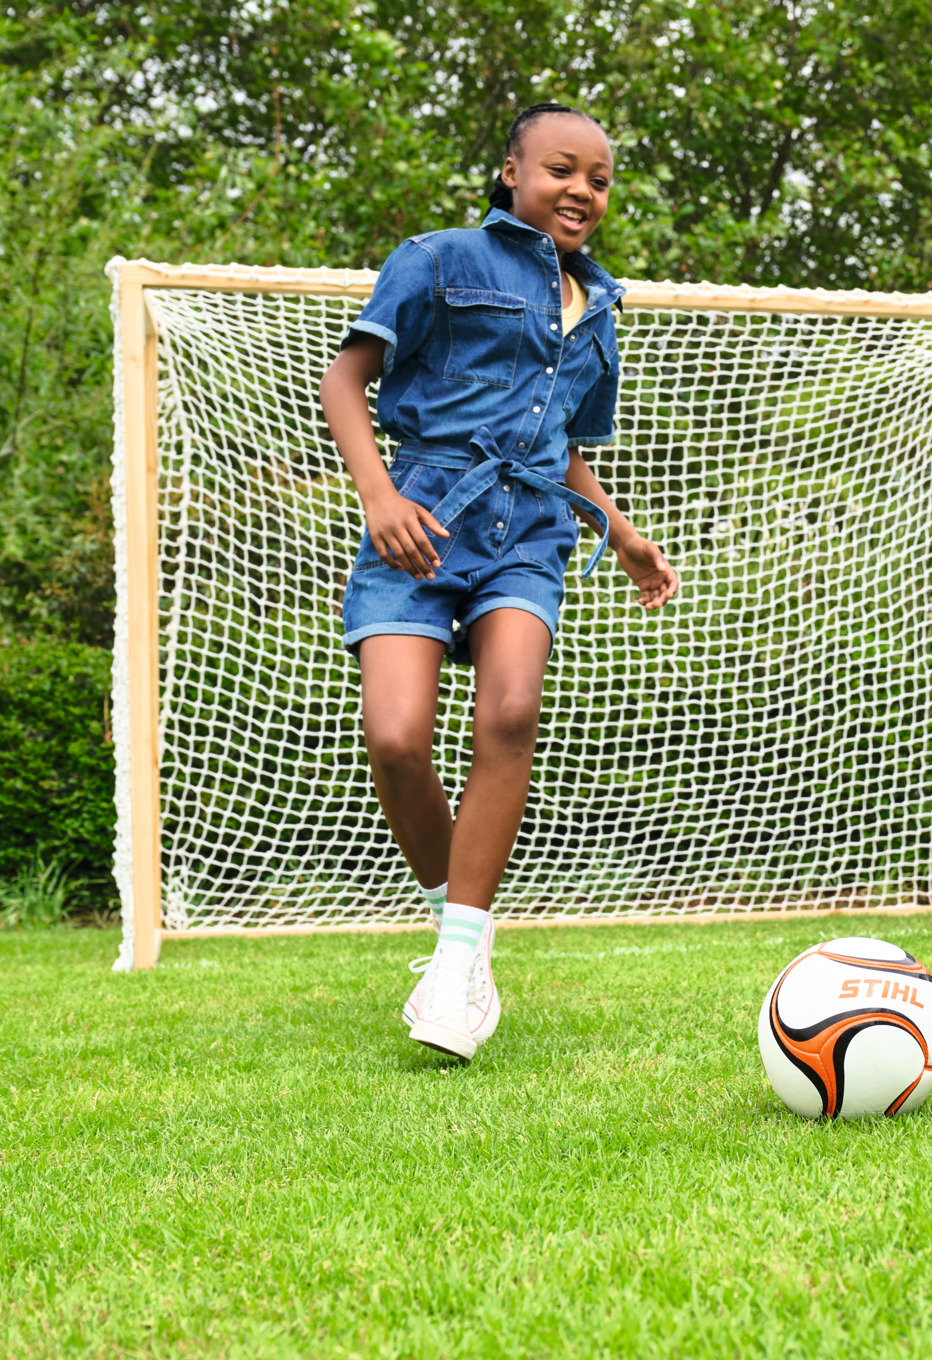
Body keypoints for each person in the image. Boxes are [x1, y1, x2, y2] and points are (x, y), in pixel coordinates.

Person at [320, 102, 678, 1061]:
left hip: (528, 533)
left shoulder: (599, 305)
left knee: (510, 712)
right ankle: (458, 931)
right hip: (422, 523)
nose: (583, 191)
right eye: (563, 169)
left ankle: (458, 962)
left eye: (600, 180)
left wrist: (625, 534)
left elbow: (558, 449)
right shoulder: (437, 258)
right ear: (512, 171)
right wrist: (380, 497)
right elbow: (344, 382)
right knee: (395, 737)